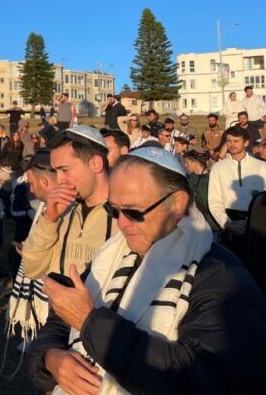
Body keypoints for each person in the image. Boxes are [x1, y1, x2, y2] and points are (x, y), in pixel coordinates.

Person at [30, 147, 266, 394]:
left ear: (176, 204)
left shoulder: (218, 276)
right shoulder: (112, 254)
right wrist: (51, 358)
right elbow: (60, 324)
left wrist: (90, 322)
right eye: (114, 210)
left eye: (133, 212)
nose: (121, 223)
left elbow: (197, 379)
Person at [21, 125, 116, 281]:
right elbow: (31, 269)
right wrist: (49, 220)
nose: (59, 180)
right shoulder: (62, 209)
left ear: (95, 164)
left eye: (65, 170)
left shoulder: (126, 218)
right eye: (56, 171)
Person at [6, 150, 55, 346]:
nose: (32, 189)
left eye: (34, 184)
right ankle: (31, 333)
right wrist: (28, 211)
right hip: (25, 238)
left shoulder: (55, 204)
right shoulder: (21, 188)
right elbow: (14, 211)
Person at [207, 125, 266, 254]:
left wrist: (254, 223)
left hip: (257, 224)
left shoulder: (262, 167)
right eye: (229, 141)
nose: (231, 144)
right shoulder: (218, 168)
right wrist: (227, 223)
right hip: (230, 225)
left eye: (236, 141)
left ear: (246, 143)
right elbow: (214, 200)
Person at [184, 149, 219, 232]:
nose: (185, 165)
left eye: (187, 163)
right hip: (194, 221)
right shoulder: (190, 177)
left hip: (210, 224)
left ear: (195, 163)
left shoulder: (211, 179)